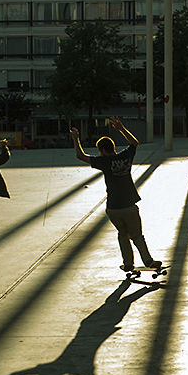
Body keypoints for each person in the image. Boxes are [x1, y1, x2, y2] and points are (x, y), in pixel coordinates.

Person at [70, 117, 161, 273]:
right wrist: (121, 128)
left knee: (122, 234)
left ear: (103, 150)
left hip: (113, 208)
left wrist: (76, 139)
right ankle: (148, 261)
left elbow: (81, 156)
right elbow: (135, 143)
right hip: (129, 206)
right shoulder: (125, 157)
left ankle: (128, 264)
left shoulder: (104, 162)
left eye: (100, 151)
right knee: (137, 235)